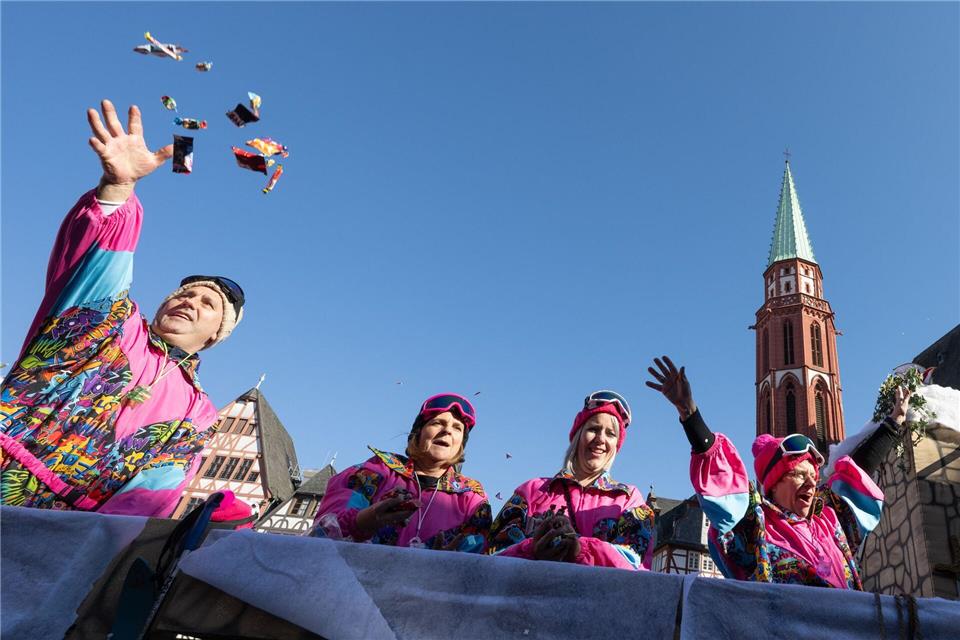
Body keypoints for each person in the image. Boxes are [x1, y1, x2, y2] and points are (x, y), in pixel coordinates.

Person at [0, 100, 245, 517]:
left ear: (216, 336)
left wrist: (91, 550)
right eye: (185, 293)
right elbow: (100, 256)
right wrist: (118, 189)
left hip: (56, 530)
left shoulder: (197, 412)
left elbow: (148, 495)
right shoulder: (113, 317)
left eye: (209, 304)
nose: (191, 301)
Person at [645, 355, 910, 589]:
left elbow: (856, 472)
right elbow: (721, 474)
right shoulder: (756, 525)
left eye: (813, 476)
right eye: (799, 475)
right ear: (773, 483)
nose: (810, 484)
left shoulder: (829, 520)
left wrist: (894, 422)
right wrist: (689, 411)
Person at [487, 390, 655, 570]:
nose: (600, 439)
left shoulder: (629, 500)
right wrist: (532, 549)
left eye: (610, 434)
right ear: (578, 434)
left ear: (616, 444)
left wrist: (580, 550)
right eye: (593, 429)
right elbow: (492, 556)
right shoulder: (531, 491)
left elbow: (635, 564)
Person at [309, 394, 491, 552]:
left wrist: (446, 564)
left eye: (457, 428)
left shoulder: (472, 498)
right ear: (418, 433)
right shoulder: (374, 470)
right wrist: (365, 520)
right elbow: (321, 534)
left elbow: (475, 561)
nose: (447, 430)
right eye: (437, 423)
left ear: (461, 444)